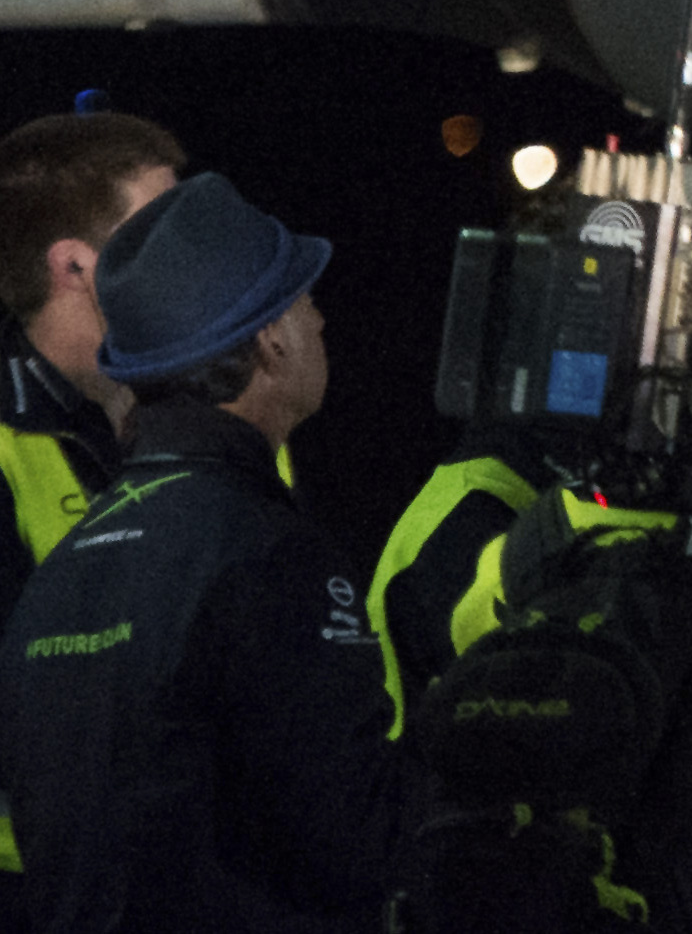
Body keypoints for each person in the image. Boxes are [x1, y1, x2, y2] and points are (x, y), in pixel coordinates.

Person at [0, 170, 401, 934]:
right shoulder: (268, 556)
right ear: (271, 341)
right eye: (305, 299)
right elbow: (351, 843)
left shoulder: (69, 564)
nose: (320, 322)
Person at [0, 111, 182, 929]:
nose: (193, 260)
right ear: (74, 266)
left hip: (172, 866)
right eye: (160, 237)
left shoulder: (206, 410)